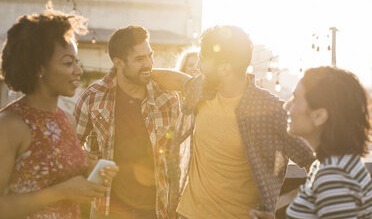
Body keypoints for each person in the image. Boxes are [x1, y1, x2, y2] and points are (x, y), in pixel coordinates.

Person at [152, 25, 315, 218]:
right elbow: (179, 81)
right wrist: (141, 71)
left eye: (203, 60)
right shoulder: (202, 89)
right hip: (189, 214)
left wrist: (305, 210)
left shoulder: (270, 110)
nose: (198, 66)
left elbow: (310, 160)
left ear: (225, 69)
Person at [0, 6, 118, 218]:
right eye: (68, 63)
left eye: (77, 63)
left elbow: (64, 176)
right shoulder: (10, 125)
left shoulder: (67, 121)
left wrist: (92, 173)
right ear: (39, 68)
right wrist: (60, 193)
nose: (78, 71)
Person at [74, 25, 180, 219]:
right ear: (118, 63)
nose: (149, 64)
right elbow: (73, 146)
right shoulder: (93, 98)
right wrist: (89, 162)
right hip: (108, 209)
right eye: (140, 59)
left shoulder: (167, 99)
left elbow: (178, 156)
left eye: (150, 55)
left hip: (156, 209)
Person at [250, 66, 372, 219]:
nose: (286, 106)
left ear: (319, 116)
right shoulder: (331, 165)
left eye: (295, 99)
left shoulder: (333, 178)